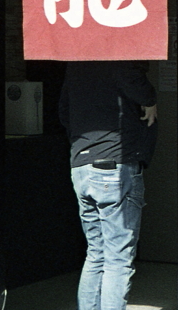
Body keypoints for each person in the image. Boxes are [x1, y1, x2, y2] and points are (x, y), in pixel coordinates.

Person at [58, 60, 158, 310]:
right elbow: (136, 86)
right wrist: (151, 100)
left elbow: (64, 111)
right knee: (118, 259)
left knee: (96, 254)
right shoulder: (119, 59)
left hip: (81, 165)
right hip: (114, 165)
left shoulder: (75, 65)